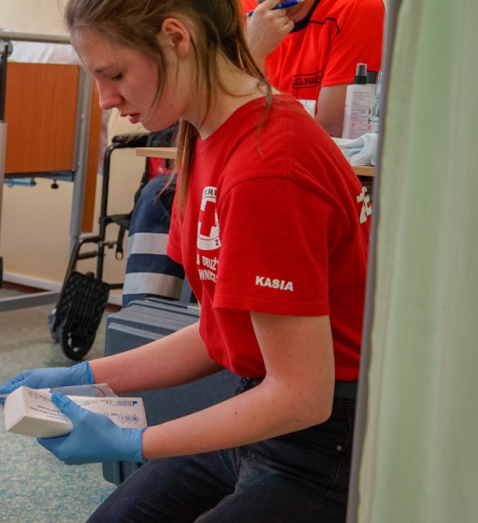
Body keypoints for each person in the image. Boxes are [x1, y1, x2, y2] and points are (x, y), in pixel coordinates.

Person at [0, 0, 369, 523]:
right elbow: (217, 326)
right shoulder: (205, 135)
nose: (105, 99)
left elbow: (303, 397)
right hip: (258, 412)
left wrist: (133, 440)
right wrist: (88, 377)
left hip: (322, 449)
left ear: (175, 37)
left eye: (114, 74)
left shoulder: (268, 164)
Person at [120, 0, 382, 307]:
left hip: (300, 171)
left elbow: (328, 128)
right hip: (236, 162)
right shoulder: (235, 9)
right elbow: (211, 104)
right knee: (158, 196)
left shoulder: (357, 9)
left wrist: (252, 54)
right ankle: (141, 322)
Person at [243, 0, 385, 137]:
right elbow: (229, 125)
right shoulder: (239, 10)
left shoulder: (357, 7)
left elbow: (331, 129)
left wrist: (254, 54)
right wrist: (253, 51)